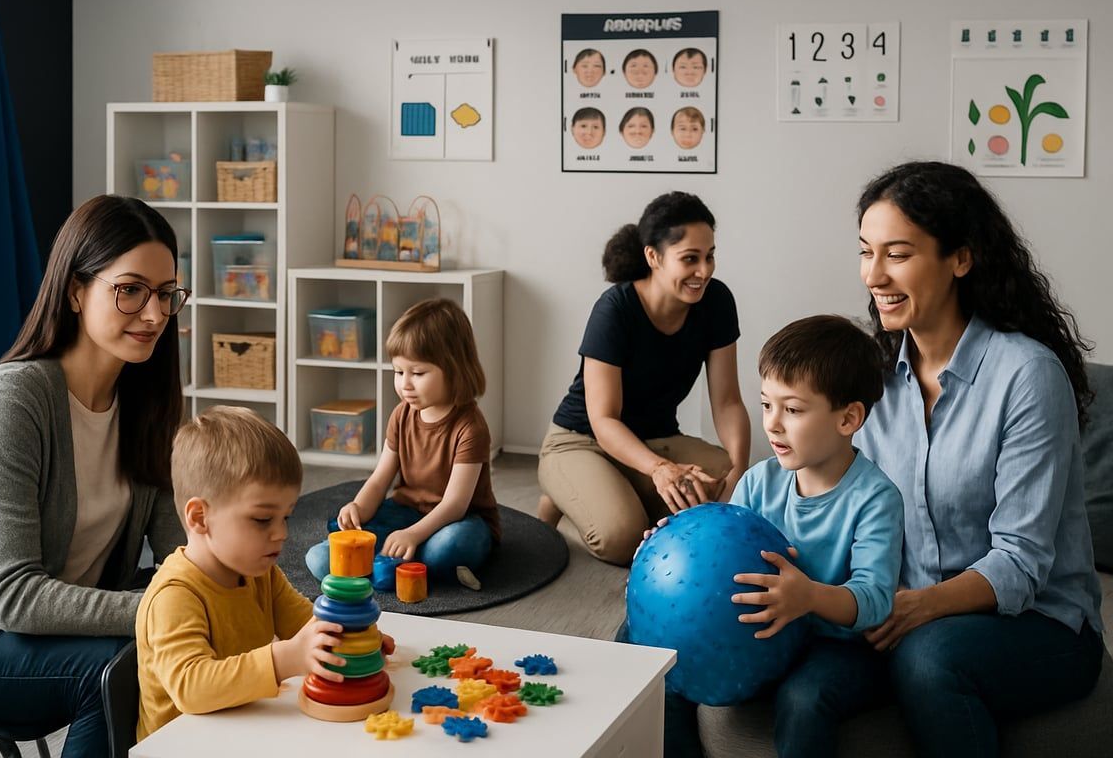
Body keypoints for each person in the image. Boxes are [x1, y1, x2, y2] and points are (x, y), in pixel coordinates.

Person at [0, 195, 189, 757]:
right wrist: (173, 607)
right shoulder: (12, 401)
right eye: (131, 289)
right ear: (74, 290)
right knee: (125, 664)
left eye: (165, 293)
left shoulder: (147, 400)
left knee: (184, 642)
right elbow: (14, 597)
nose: (155, 313)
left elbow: (178, 551)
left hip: (69, 626)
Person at [854, 161, 1104, 757]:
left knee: (927, 659)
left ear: (960, 258)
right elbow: (831, 495)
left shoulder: (1027, 375)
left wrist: (914, 608)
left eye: (898, 254)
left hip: (1039, 622)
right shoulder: (870, 376)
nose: (874, 275)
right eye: (866, 252)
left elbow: (1019, 563)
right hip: (908, 603)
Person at [648, 315, 902, 758]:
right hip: (762, 632)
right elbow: (721, 551)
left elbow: (876, 600)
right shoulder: (758, 481)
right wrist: (670, 548)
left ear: (849, 418)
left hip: (837, 645)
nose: (774, 424)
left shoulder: (876, 498)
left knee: (805, 700)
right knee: (649, 650)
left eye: (794, 409)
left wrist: (809, 598)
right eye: (767, 405)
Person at [136, 406, 390, 738]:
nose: (282, 532)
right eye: (262, 519)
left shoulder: (259, 572)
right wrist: (284, 660)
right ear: (199, 518)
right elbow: (191, 687)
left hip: (247, 731)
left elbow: (303, 620)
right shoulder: (175, 595)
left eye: (285, 516)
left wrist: (352, 639)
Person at [538, 191, 751, 565]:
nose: (704, 271)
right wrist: (660, 470)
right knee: (623, 538)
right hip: (581, 441)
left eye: (709, 256)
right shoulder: (615, 309)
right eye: (690, 259)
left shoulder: (716, 302)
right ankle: (565, 494)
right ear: (653, 257)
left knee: (721, 480)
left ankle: (618, 492)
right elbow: (603, 420)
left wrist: (738, 476)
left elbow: (728, 401)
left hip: (655, 439)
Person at [306, 298, 498, 587]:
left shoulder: (470, 427)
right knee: (319, 558)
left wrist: (413, 535)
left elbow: (455, 505)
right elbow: (380, 479)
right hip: (404, 513)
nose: (405, 383)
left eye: (418, 373)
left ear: (455, 369)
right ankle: (404, 567)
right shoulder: (401, 415)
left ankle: (387, 566)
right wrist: (358, 508)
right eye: (399, 372)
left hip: (458, 521)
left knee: (450, 546)